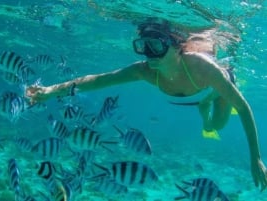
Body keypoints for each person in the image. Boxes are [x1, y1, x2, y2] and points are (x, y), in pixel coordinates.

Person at [26, 18, 267, 190]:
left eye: (156, 46)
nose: (149, 54)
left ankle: (209, 102)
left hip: (217, 85)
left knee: (218, 124)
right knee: (211, 121)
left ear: (176, 47)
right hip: (196, 89)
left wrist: (255, 158)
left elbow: (244, 108)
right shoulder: (145, 71)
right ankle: (204, 104)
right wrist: (49, 91)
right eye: (143, 47)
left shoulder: (201, 66)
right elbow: (98, 81)